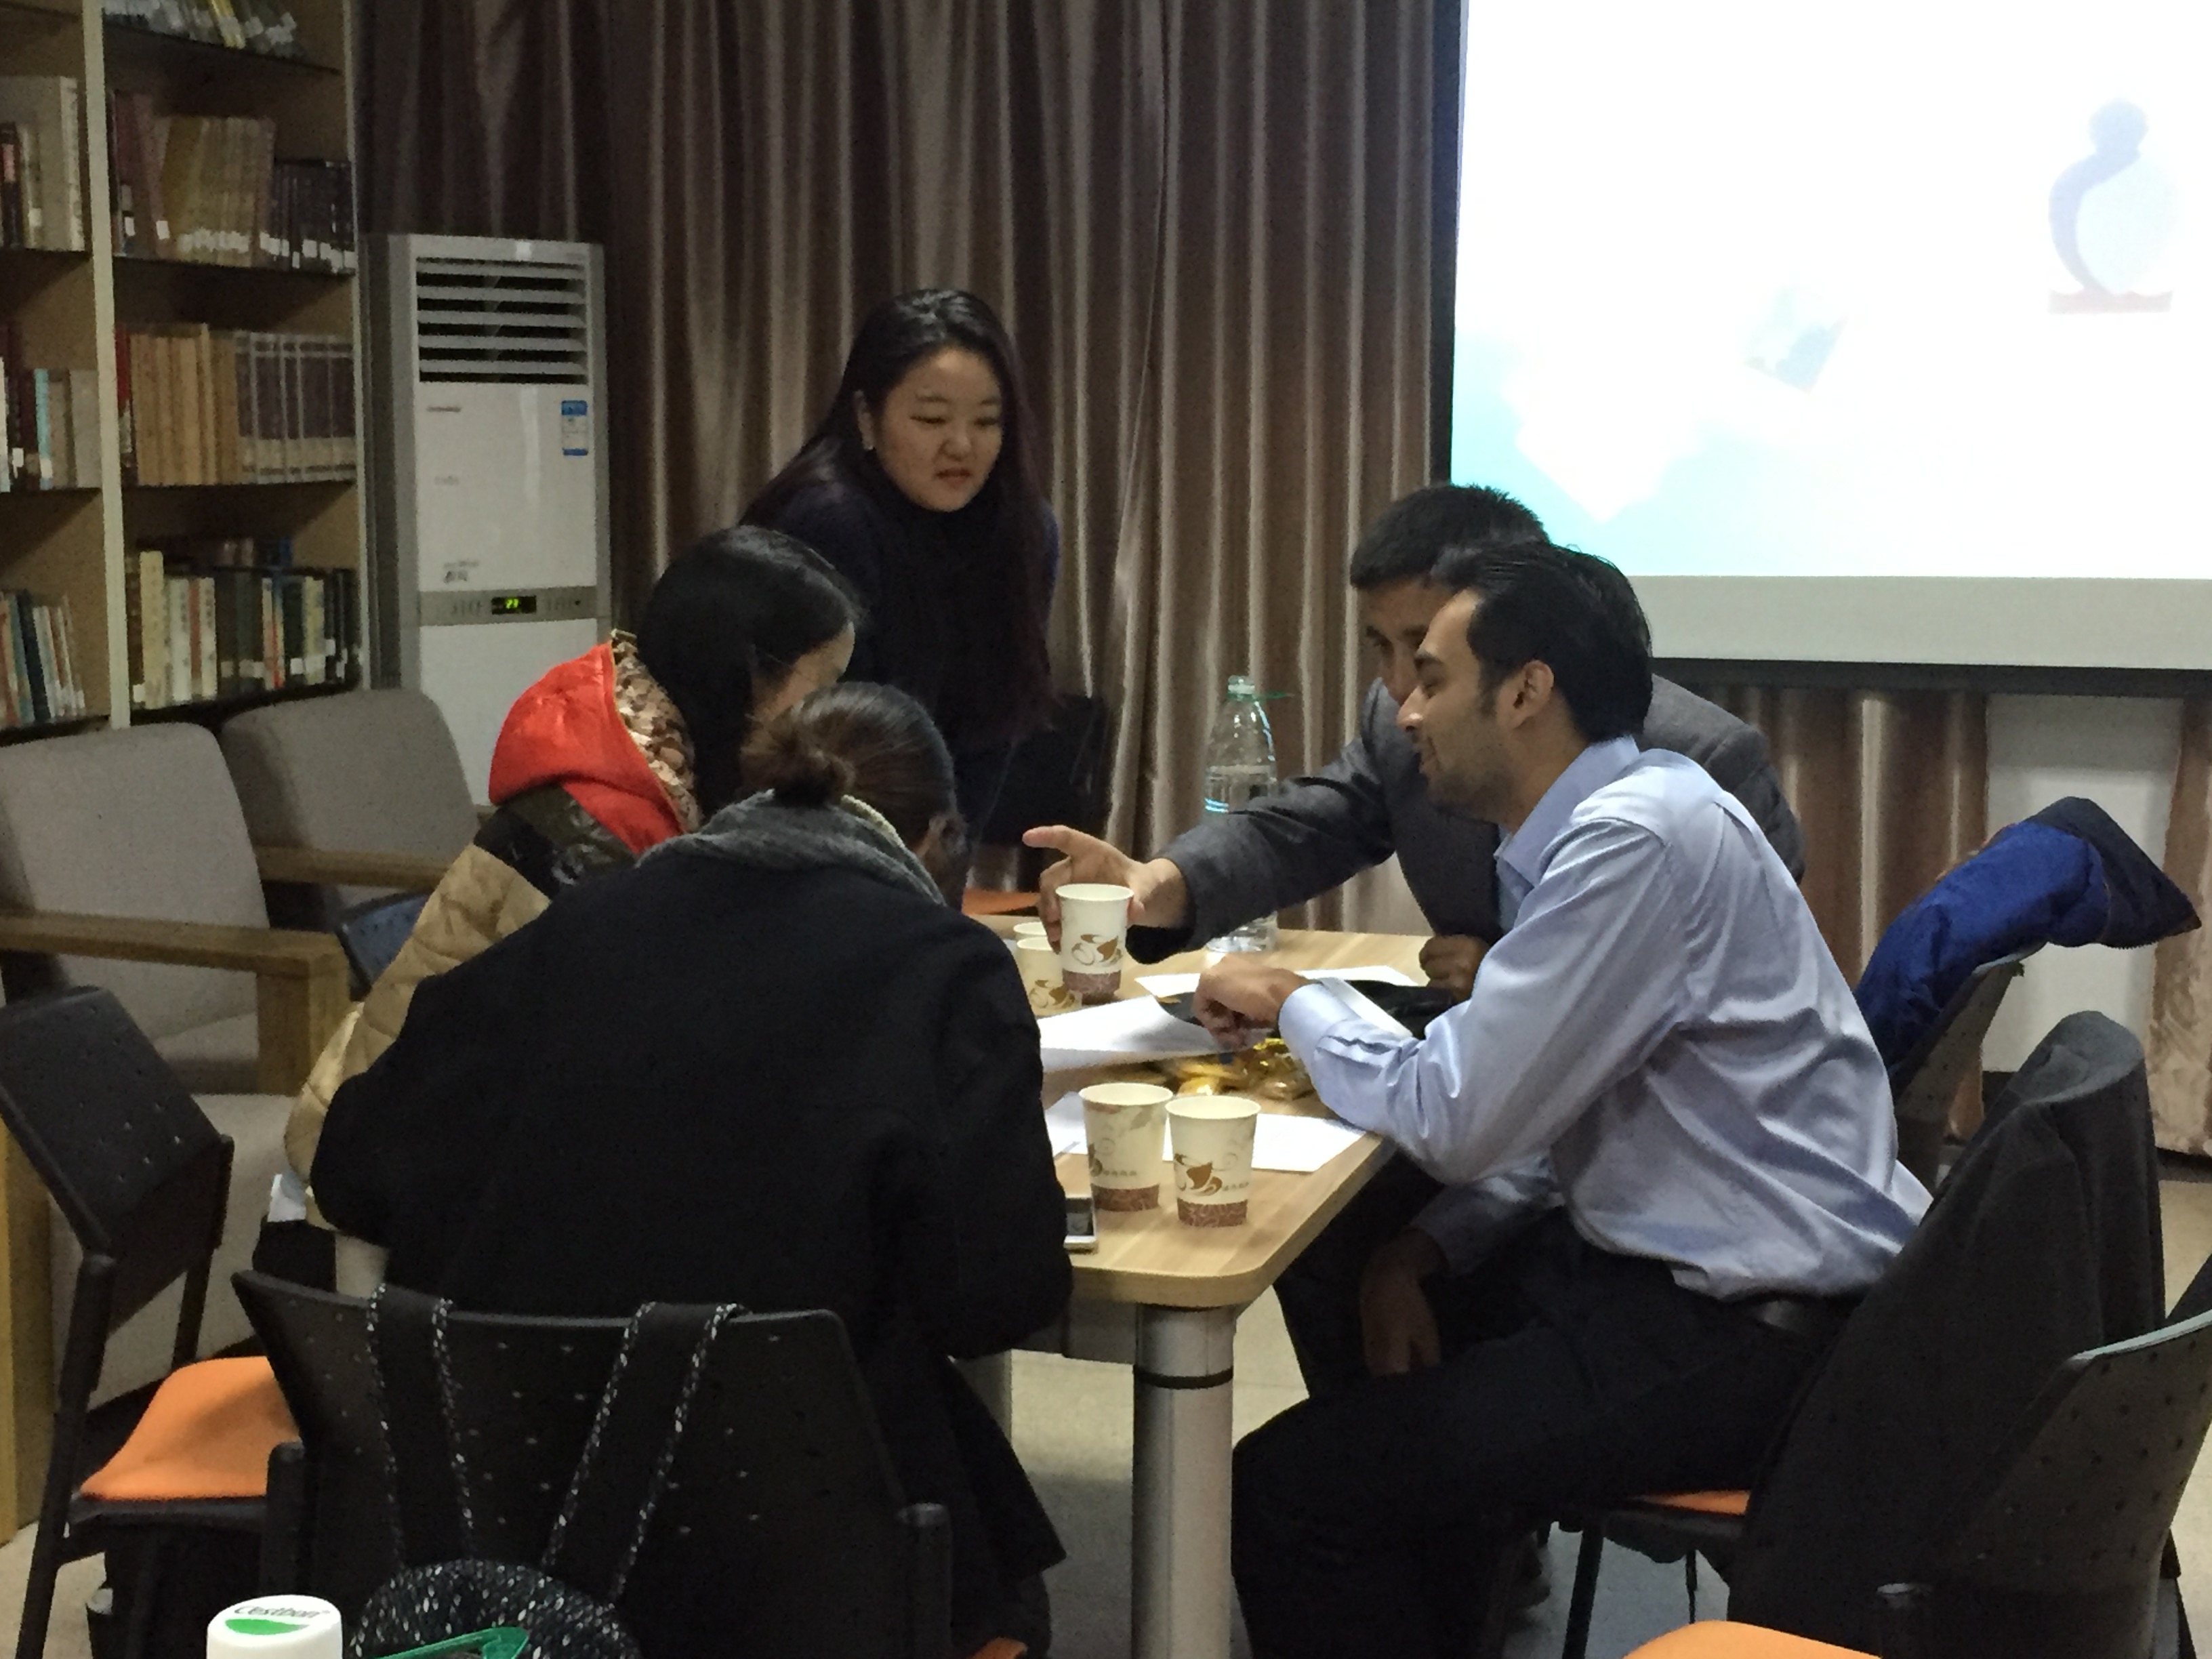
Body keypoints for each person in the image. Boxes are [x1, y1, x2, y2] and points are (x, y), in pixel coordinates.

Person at [1189, 541, 1928, 1658]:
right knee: (1365, 1263)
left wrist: (1295, 997)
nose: (1405, 713)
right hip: (1698, 1277)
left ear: (1526, 691)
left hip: (1743, 1336)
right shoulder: (1636, 812)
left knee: (1289, 1489)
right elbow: (1547, 1113)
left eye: (1431, 678)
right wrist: (1421, 1250)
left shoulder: (1632, 844)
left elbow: (1454, 1114)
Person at [310, 682, 1069, 1654]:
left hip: (502, 1524)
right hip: (806, 1565)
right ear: (938, 839)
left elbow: (350, 1167)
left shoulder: (573, 927)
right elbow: (996, 1300)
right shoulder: (945, 968)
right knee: (1006, 1577)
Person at [1025, 483, 1803, 999]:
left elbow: (1737, 997)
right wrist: (1156, 884)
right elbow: (1301, 830)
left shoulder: (1703, 765)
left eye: (1426, 651)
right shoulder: (1401, 728)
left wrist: (1522, 983)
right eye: (1382, 648)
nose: (1400, 689)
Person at [285, 526, 860, 1193]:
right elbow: (590, 1075)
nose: (828, 721)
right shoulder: (600, 831)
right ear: (744, 675)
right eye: (821, 690)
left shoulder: (663, 760)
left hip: (454, 1123)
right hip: (387, 1159)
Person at [745, 288, 1058, 829]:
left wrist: (944, 858)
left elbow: (997, 722)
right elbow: (817, 751)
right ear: (866, 417)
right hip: (803, 824)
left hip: (925, 844)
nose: (962, 445)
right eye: (932, 420)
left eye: (987, 422)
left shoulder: (1025, 530)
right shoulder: (827, 520)